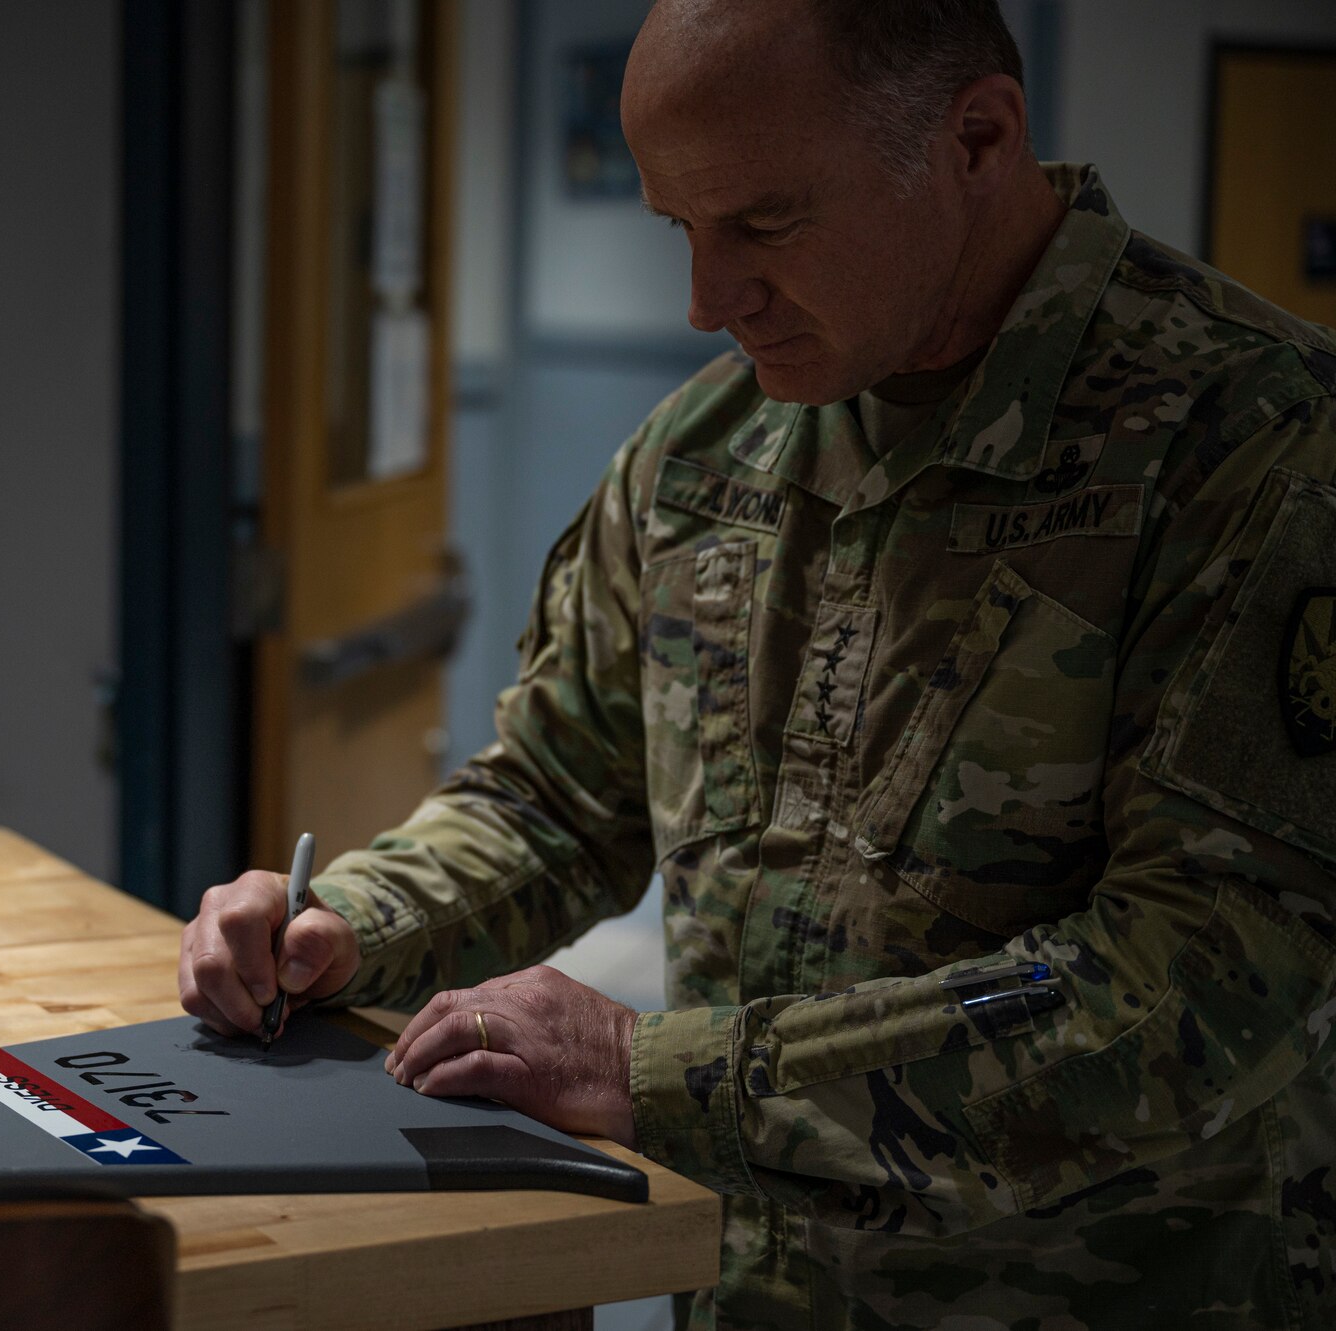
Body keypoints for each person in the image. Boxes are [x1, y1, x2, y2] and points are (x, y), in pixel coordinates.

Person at [180, 0, 1336, 1325]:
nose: (703, 301)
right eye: (682, 228)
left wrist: (660, 1072)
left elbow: (1203, 991)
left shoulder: (1257, 447)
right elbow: (556, 802)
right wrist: (353, 923)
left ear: (977, 138)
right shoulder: (705, 458)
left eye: (766, 226)